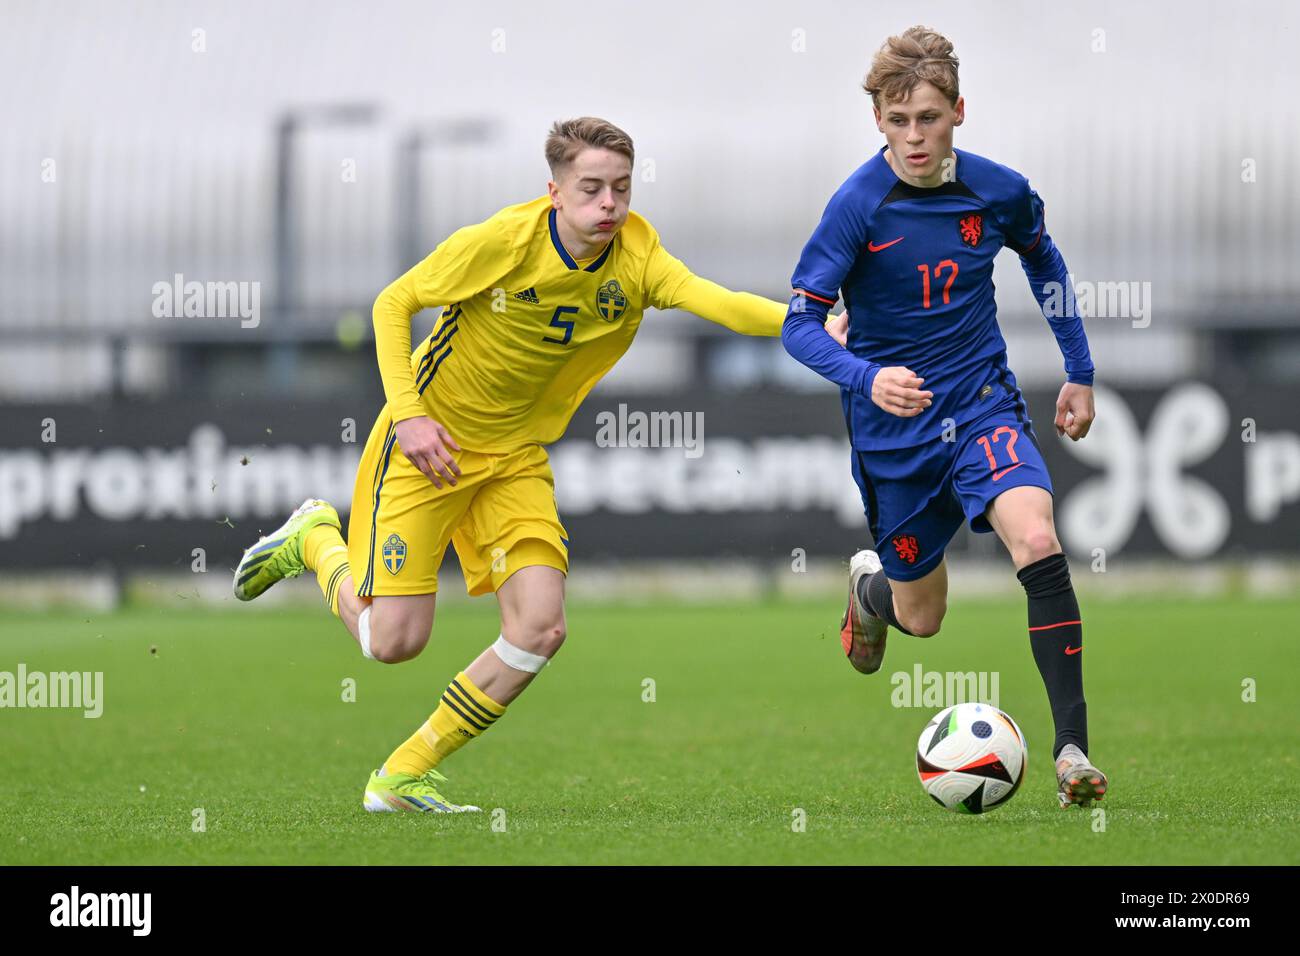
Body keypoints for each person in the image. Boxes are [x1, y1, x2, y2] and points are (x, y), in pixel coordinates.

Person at [233, 116, 847, 812]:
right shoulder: (505, 242)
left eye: (620, 188)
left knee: (541, 627)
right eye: (591, 189)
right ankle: (315, 539)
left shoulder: (638, 256)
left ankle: (402, 773)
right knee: (391, 642)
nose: (609, 205)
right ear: (554, 190)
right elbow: (392, 302)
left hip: (514, 461)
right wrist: (409, 417)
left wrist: (804, 322)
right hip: (427, 450)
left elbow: (720, 303)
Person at [781, 26, 1107, 808]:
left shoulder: (997, 190)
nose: (914, 136)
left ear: (958, 110)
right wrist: (866, 377)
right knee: (923, 620)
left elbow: (1044, 259)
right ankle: (875, 596)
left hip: (981, 401)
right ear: (879, 122)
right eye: (899, 121)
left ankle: (1071, 751)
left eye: (929, 117)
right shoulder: (857, 205)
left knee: (1037, 538)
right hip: (895, 431)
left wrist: (1080, 371)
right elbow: (797, 324)